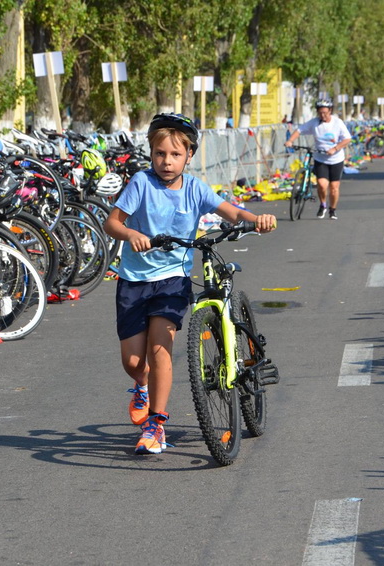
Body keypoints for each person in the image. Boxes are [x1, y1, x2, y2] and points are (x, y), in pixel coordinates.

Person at [103, 113, 276, 455]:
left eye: (175, 154)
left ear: (189, 156)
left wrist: (257, 219)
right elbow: (112, 223)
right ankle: (142, 385)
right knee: (134, 362)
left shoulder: (195, 188)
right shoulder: (141, 183)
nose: (166, 161)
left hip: (172, 280)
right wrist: (131, 234)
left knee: (160, 349)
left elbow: (232, 212)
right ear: (151, 154)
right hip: (134, 280)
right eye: (159, 153)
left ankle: (156, 424)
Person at [284, 99, 352, 219]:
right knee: (321, 184)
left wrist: (335, 148)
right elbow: (299, 130)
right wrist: (290, 141)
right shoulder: (314, 123)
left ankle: (332, 209)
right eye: (320, 113)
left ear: (330, 111)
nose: (322, 115)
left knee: (334, 188)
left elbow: (347, 139)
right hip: (320, 158)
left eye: (325, 112)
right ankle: (323, 205)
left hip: (336, 159)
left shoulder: (338, 123)